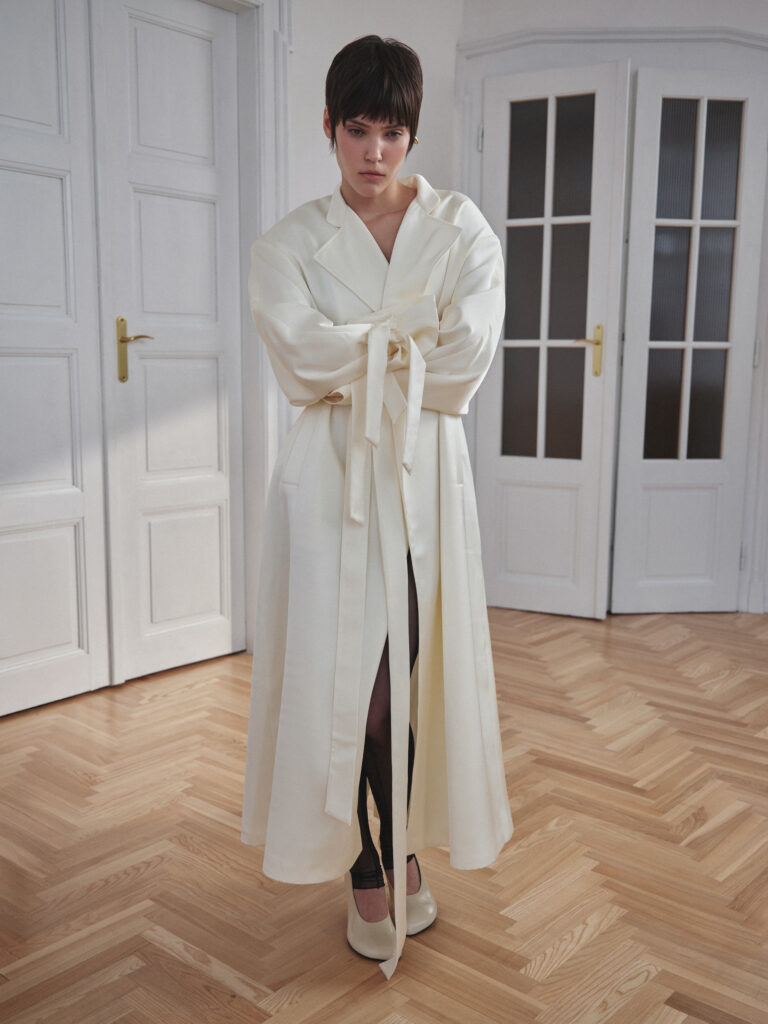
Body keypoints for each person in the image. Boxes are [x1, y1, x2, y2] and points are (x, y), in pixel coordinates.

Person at [241, 35, 513, 979]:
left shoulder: (461, 228)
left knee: (408, 674)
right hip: (330, 484)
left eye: (391, 133)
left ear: (412, 134)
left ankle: (397, 842)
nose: (374, 152)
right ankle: (373, 858)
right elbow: (297, 359)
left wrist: (355, 349)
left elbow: (466, 362)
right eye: (357, 130)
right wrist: (404, 344)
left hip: (426, 479)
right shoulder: (286, 244)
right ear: (328, 126)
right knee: (347, 685)